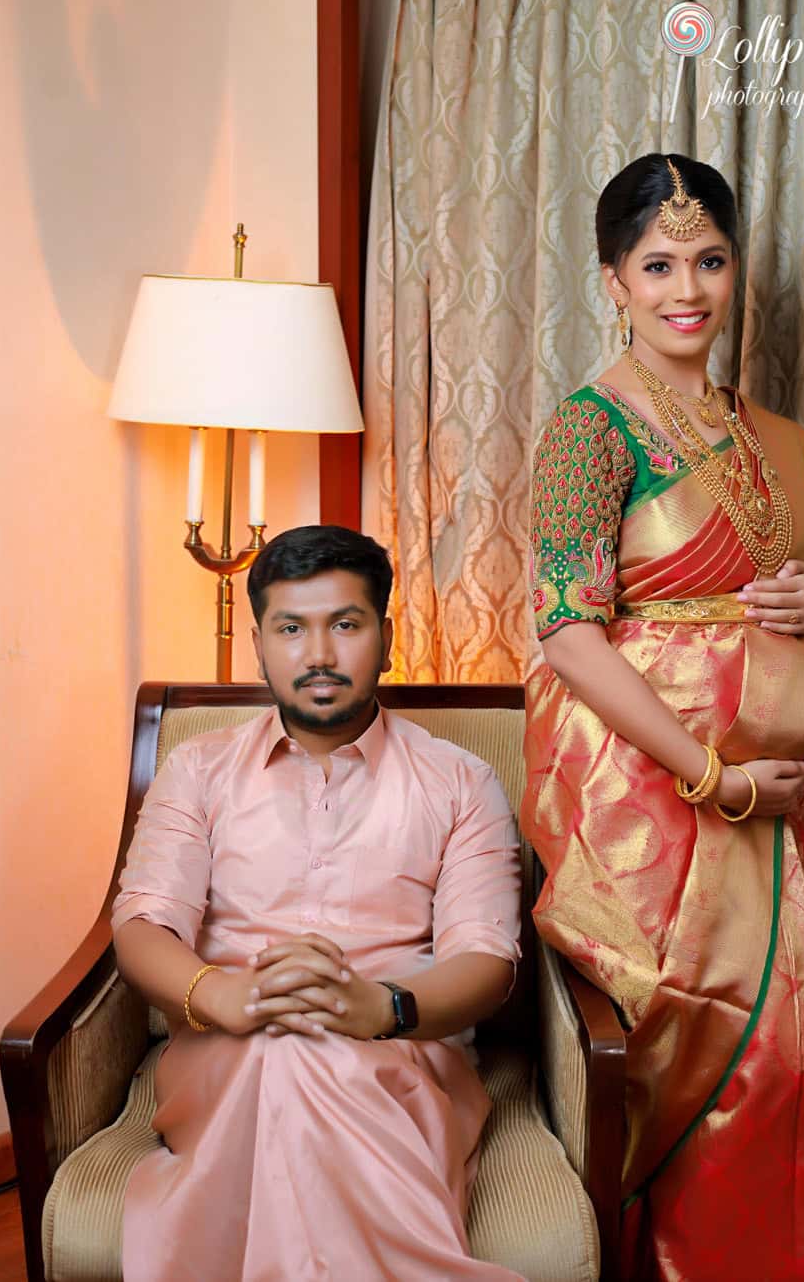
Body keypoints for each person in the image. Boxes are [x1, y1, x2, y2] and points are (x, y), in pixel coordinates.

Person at [521, 153, 804, 1281]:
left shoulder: (772, 434)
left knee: (802, 1063)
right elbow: (567, 633)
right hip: (655, 788)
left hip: (776, 788)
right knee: (725, 1060)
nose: (687, 287)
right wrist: (708, 778)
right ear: (612, 279)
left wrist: (802, 597)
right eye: (658, 262)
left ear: (735, 270)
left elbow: (764, 587)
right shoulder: (589, 430)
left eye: (709, 259)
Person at [112, 524, 525, 1282]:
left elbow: (487, 961)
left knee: (310, 1064)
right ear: (261, 646)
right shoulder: (197, 771)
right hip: (225, 1052)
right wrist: (223, 994)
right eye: (292, 629)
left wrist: (381, 1008)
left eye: (346, 624)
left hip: (402, 1056)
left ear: (386, 636)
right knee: (282, 1054)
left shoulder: (463, 782)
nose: (321, 655)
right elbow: (142, 926)